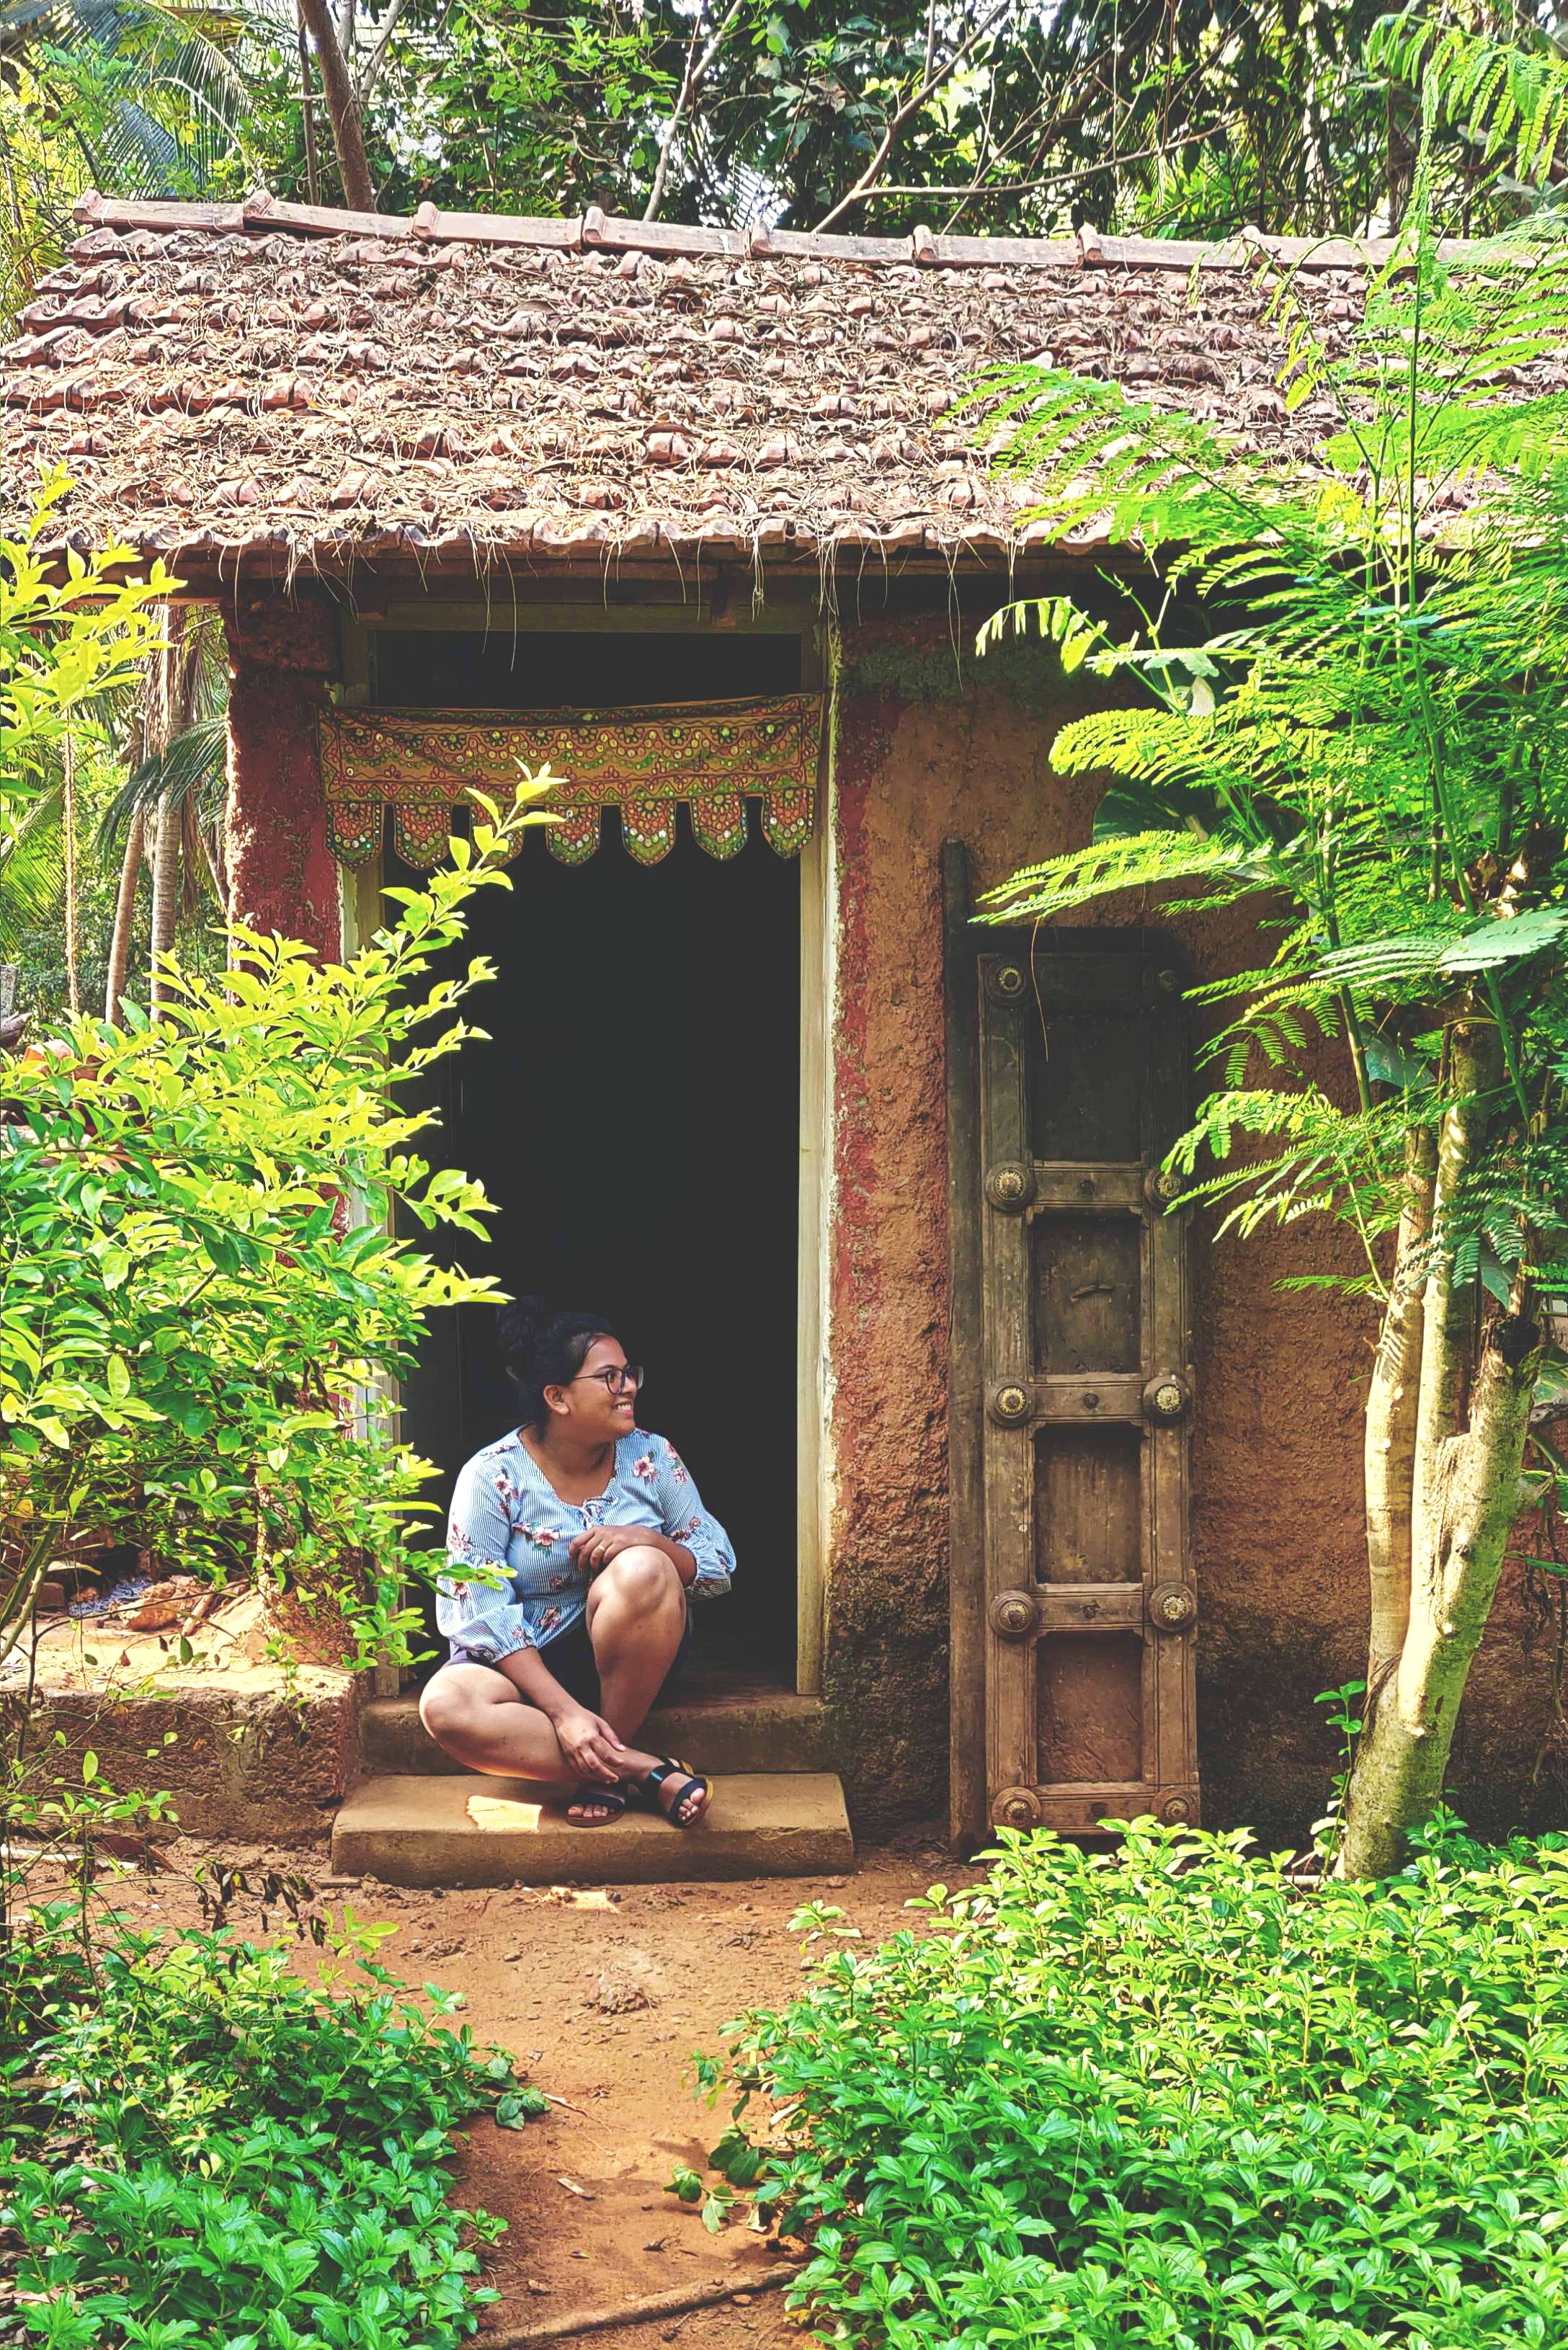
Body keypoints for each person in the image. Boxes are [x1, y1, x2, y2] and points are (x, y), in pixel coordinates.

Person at [420, 1299, 734, 1827]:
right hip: (526, 1663)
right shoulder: (492, 1476)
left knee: (645, 1568)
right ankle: (636, 1768)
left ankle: (598, 1765)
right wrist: (563, 1713)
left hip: (628, 1658)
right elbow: (478, 1608)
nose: (629, 1387)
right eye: (609, 1377)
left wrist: (646, 1540)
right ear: (557, 1397)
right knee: (445, 1707)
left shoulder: (652, 1456)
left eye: (629, 1374)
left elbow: (717, 1562)